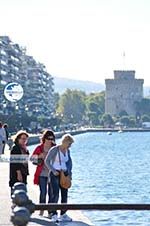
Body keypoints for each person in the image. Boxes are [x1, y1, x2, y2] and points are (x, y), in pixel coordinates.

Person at [45, 133, 74, 222]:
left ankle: (63, 213)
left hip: (64, 174)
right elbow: (47, 161)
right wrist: (53, 170)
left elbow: (69, 162)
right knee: (55, 194)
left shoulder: (67, 151)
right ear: (65, 142)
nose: (70, 146)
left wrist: (69, 174)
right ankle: (53, 214)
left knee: (65, 194)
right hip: (55, 174)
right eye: (69, 144)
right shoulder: (54, 149)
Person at [31, 130, 56, 216]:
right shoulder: (39, 148)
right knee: (43, 192)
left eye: (52, 138)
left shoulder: (55, 148)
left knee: (51, 194)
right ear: (44, 138)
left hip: (52, 174)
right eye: (48, 138)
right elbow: (32, 159)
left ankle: (50, 212)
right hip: (42, 174)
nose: (50, 140)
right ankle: (41, 210)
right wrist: (39, 156)